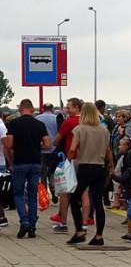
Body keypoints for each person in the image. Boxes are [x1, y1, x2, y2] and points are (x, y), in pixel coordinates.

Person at [66, 102, 113, 246]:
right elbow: (108, 150)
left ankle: (79, 231)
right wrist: (111, 165)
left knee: (74, 199)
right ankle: (99, 236)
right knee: (98, 202)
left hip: (85, 168)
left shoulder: (79, 129)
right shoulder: (104, 130)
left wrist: (67, 162)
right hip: (99, 168)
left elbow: (73, 149)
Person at [4, 99, 51, 238]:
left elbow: (9, 144)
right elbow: (47, 144)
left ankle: (24, 221)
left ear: (20, 109)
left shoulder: (13, 124)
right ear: (32, 110)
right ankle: (32, 226)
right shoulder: (39, 124)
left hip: (19, 162)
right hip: (35, 162)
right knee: (32, 194)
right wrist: (37, 146)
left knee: (18, 194)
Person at [52, 98, 90, 233]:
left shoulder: (69, 122)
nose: (66, 110)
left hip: (72, 159)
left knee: (65, 191)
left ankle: (63, 223)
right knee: (85, 192)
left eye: (69, 107)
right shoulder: (88, 122)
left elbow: (57, 140)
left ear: (77, 108)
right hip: (87, 159)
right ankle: (84, 224)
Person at [36, 103, 60, 204]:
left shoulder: (37, 118)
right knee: (52, 172)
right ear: (52, 109)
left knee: (42, 173)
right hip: (53, 149)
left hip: (41, 149)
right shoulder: (56, 119)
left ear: (43, 108)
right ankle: (53, 190)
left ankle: (44, 195)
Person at [0, 116, 8, 227]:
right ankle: (2, 217)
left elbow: (7, 145)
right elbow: (6, 146)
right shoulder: (2, 127)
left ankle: (2, 217)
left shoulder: (1, 126)